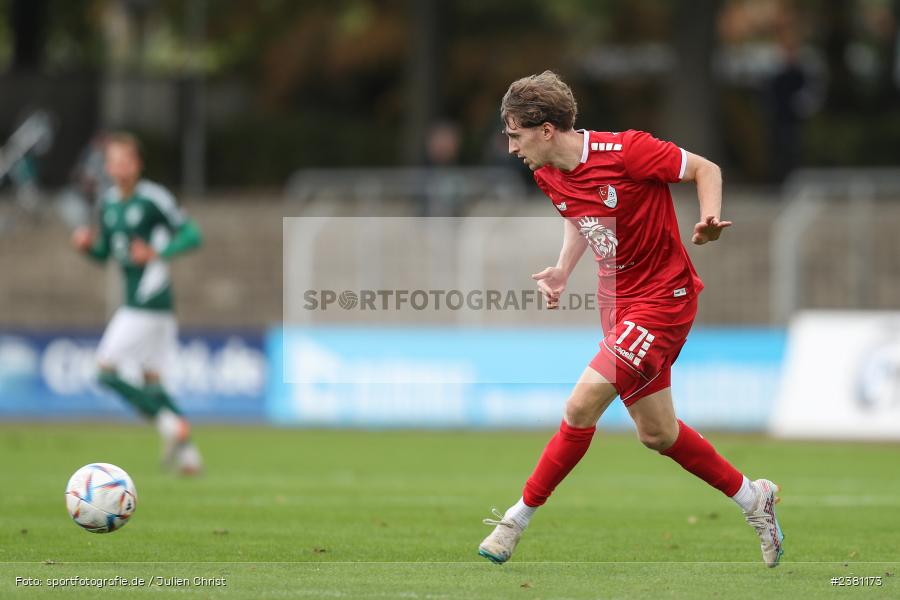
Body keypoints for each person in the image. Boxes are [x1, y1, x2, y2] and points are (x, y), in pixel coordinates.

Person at [478, 71, 783, 567]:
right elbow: (584, 217)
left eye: (516, 135)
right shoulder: (546, 173)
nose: (511, 148)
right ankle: (754, 498)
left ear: (547, 129)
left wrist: (707, 218)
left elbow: (706, 168)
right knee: (657, 433)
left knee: (580, 407)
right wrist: (562, 269)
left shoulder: (628, 151)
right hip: (616, 303)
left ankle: (515, 520)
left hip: (664, 298)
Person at [71, 132, 203, 475]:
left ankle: (167, 425)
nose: (119, 167)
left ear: (138, 164)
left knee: (104, 371)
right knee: (152, 383)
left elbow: (192, 235)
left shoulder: (153, 199)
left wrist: (158, 253)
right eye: (113, 161)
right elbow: (108, 255)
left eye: (126, 160)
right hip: (150, 308)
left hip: (146, 301)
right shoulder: (109, 203)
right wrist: (87, 247)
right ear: (108, 167)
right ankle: (189, 457)